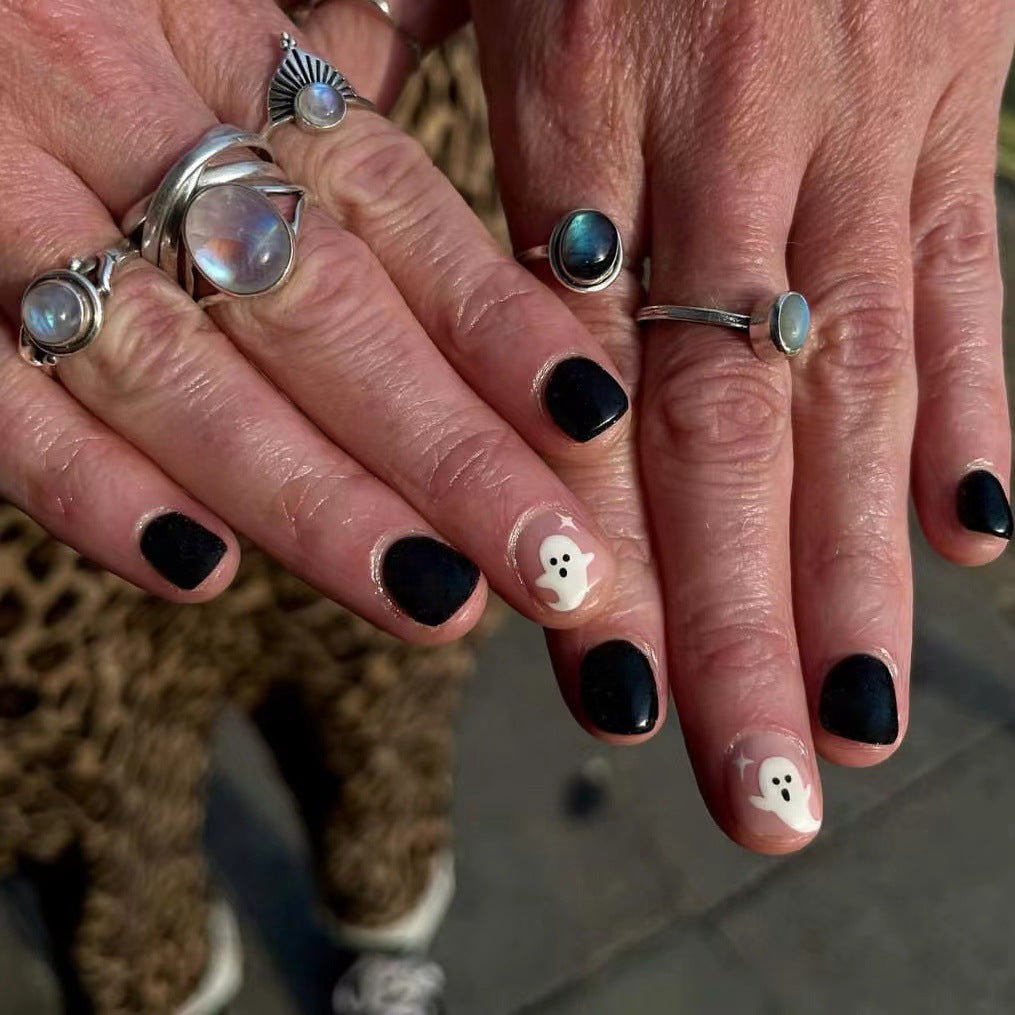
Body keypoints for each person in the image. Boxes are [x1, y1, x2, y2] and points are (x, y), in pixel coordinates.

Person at [1, 0, 1011, 882]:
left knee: (405, 639)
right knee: (83, 742)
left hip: (415, 162)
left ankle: (384, 897)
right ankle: (147, 961)